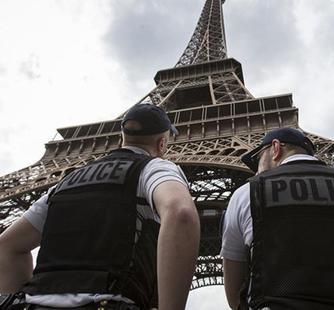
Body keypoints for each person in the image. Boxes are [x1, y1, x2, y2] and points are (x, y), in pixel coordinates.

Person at [0, 103, 200, 310]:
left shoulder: (68, 181)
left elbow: (7, 246)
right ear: (161, 143)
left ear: (122, 137)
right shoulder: (153, 167)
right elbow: (181, 213)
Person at [221, 127, 334, 310]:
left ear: (275, 148)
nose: (256, 171)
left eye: (258, 160)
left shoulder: (248, 193)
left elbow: (236, 294)